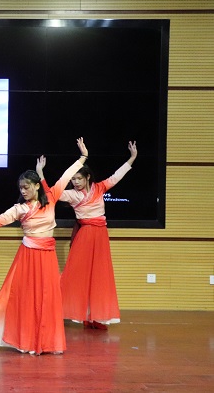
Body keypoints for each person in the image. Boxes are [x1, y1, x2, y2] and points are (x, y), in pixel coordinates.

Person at [0, 138, 89, 355]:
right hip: (28, 256)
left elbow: (67, 175)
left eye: (27, 187)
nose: (23, 191)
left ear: (37, 186)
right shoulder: (20, 209)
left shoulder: (51, 197)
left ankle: (43, 341)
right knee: (15, 297)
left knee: (47, 299)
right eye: (21, 188)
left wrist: (83, 157)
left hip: (47, 256)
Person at [57, 141, 137, 330]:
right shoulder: (71, 195)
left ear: (87, 177)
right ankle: (78, 314)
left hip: (100, 236)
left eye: (78, 178)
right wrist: (81, 158)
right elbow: (55, 191)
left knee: (98, 276)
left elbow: (117, 176)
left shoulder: (99, 188)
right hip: (85, 236)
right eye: (73, 179)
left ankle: (95, 317)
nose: (75, 182)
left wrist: (132, 158)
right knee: (79, 275)